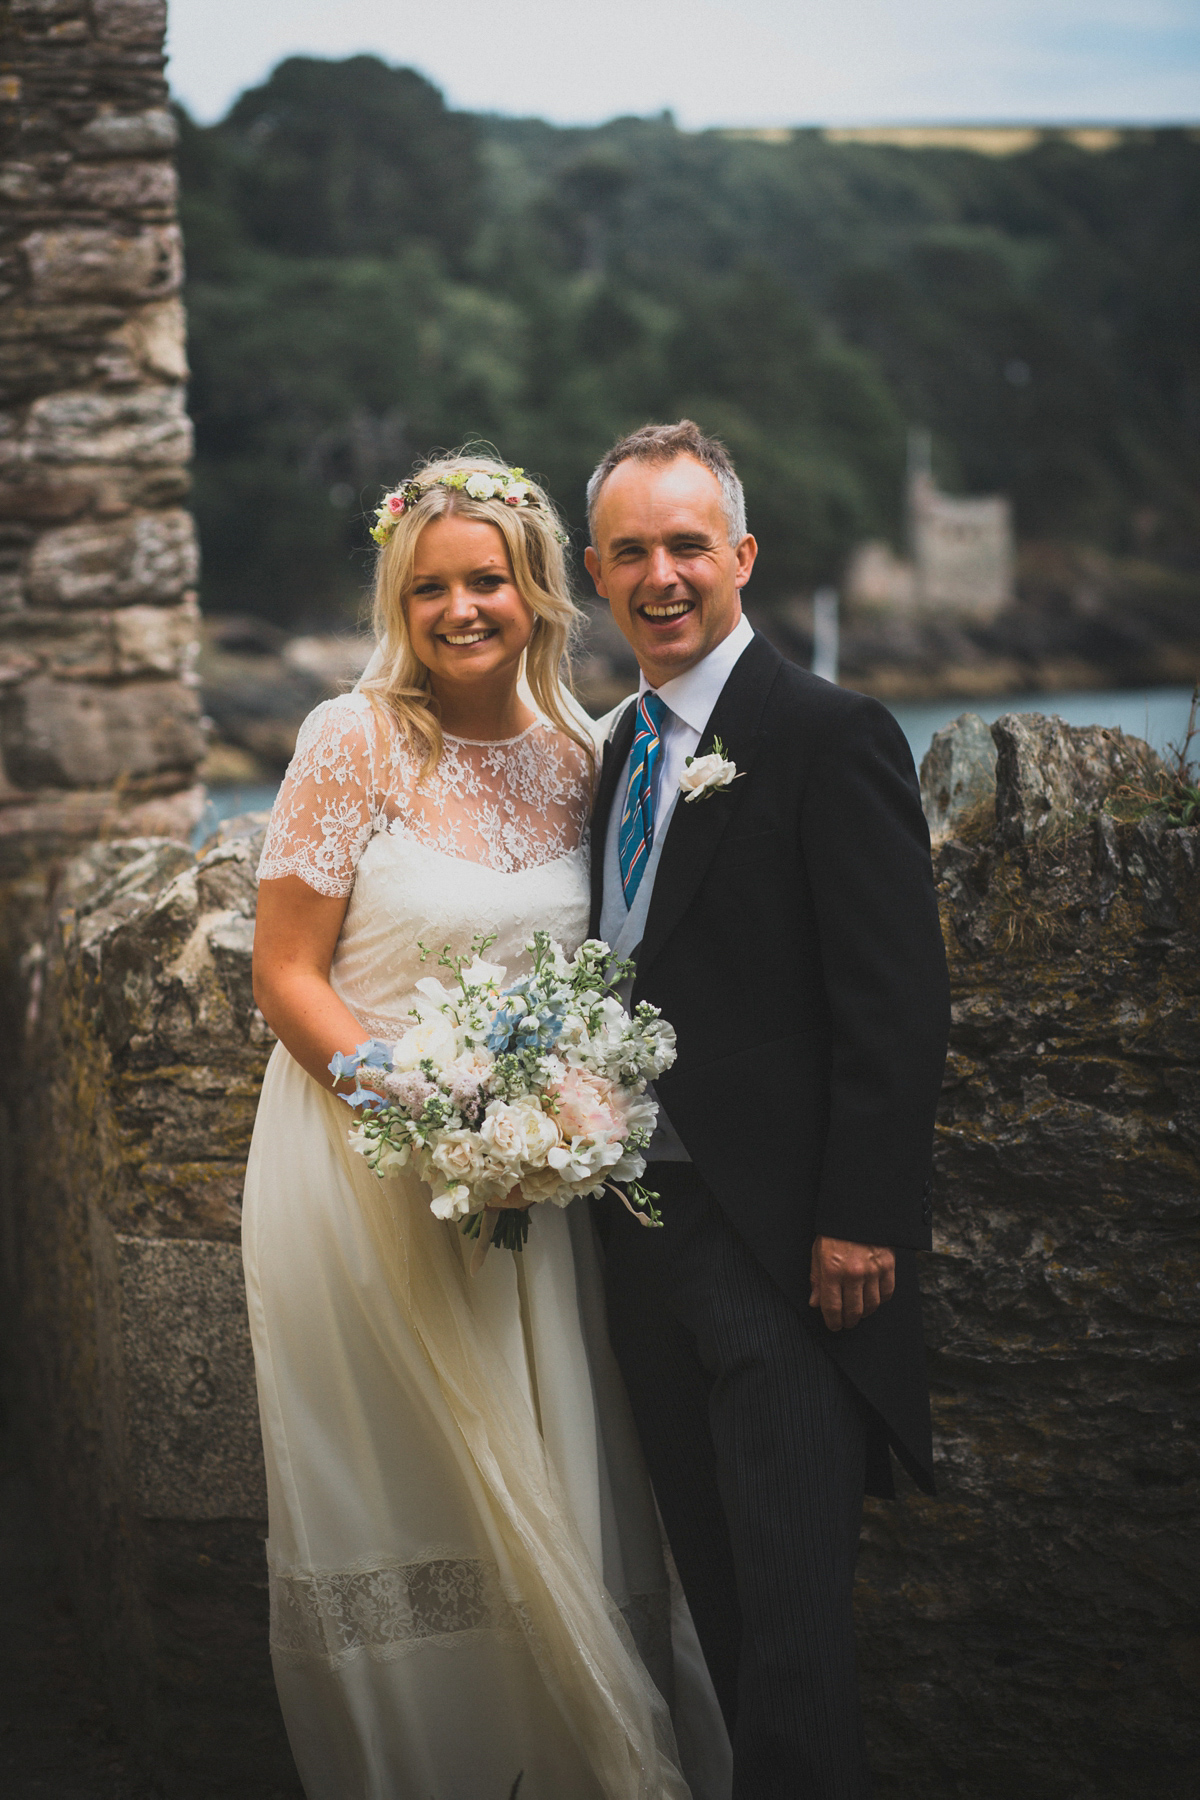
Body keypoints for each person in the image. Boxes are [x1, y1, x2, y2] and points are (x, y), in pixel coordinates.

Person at [243, 453, 694, 1800]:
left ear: (539, 589)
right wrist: (412, 1100)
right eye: (428, 586)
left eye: (485, 580)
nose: (460, 608)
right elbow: (285, 973)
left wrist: (546, 1117)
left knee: (556, 1478)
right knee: (405, 1497)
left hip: (533, 1190)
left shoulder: (589, 755)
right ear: (400, 599)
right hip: (362, 1170)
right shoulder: (351, 741)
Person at [584, 421, 951, 1799]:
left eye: (688, 545)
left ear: (743, 555)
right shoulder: (612, 749)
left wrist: (861, 1222)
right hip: (638, 1248)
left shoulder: (828, 734)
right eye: (633, 551)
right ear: (596, 572)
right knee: (724, 1622)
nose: (662, 574)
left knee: (796, 1637)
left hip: (790, 1256)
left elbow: (894, 1005)